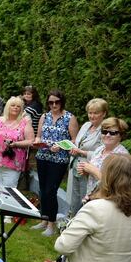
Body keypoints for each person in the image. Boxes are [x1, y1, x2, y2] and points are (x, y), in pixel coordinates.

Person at [32, 89, 79, 236]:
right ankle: (44, 220)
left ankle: (51, 224)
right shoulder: (44, 116)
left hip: (59, 160)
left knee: (51, 191)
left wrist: (60, 146)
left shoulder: (69, 118)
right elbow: (38, 136)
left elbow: (74, 140)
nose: (53, 105)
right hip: (42, 156)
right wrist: (38, 141)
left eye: (56, 102)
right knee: (42, 189)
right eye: (51, 102)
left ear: (62, 101)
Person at [0, 96, 35, 219]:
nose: (15, 108)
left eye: (18, 106)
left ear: (21, 109)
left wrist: (16, 144)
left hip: (13, 160)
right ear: (7, 107)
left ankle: (8, 215)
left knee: (10, 187)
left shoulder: (25, 122)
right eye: (13, 105)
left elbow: (31, 141)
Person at [66, 98, 108, 216]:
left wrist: (81, 152)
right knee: (75, 199)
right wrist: (71, 147)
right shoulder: (86, 125)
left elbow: (102, 153)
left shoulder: (105, 130)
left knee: (86, 199)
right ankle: (71, 224)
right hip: (76, 165)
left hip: (90, 169)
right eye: (90, 113)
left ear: (104, 113)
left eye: (96, 113)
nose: (92, 116)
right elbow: (79, 143)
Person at [74, 117, 130, 199]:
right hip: (92, 196)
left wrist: (92, 170)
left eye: (113, 133)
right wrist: (85, 171)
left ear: (121, 135)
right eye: (104, 132)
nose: (107, 135)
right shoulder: (99, 149)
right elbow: (93, 176)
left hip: (108, 200)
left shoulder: (122, 156)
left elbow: (114, 186)